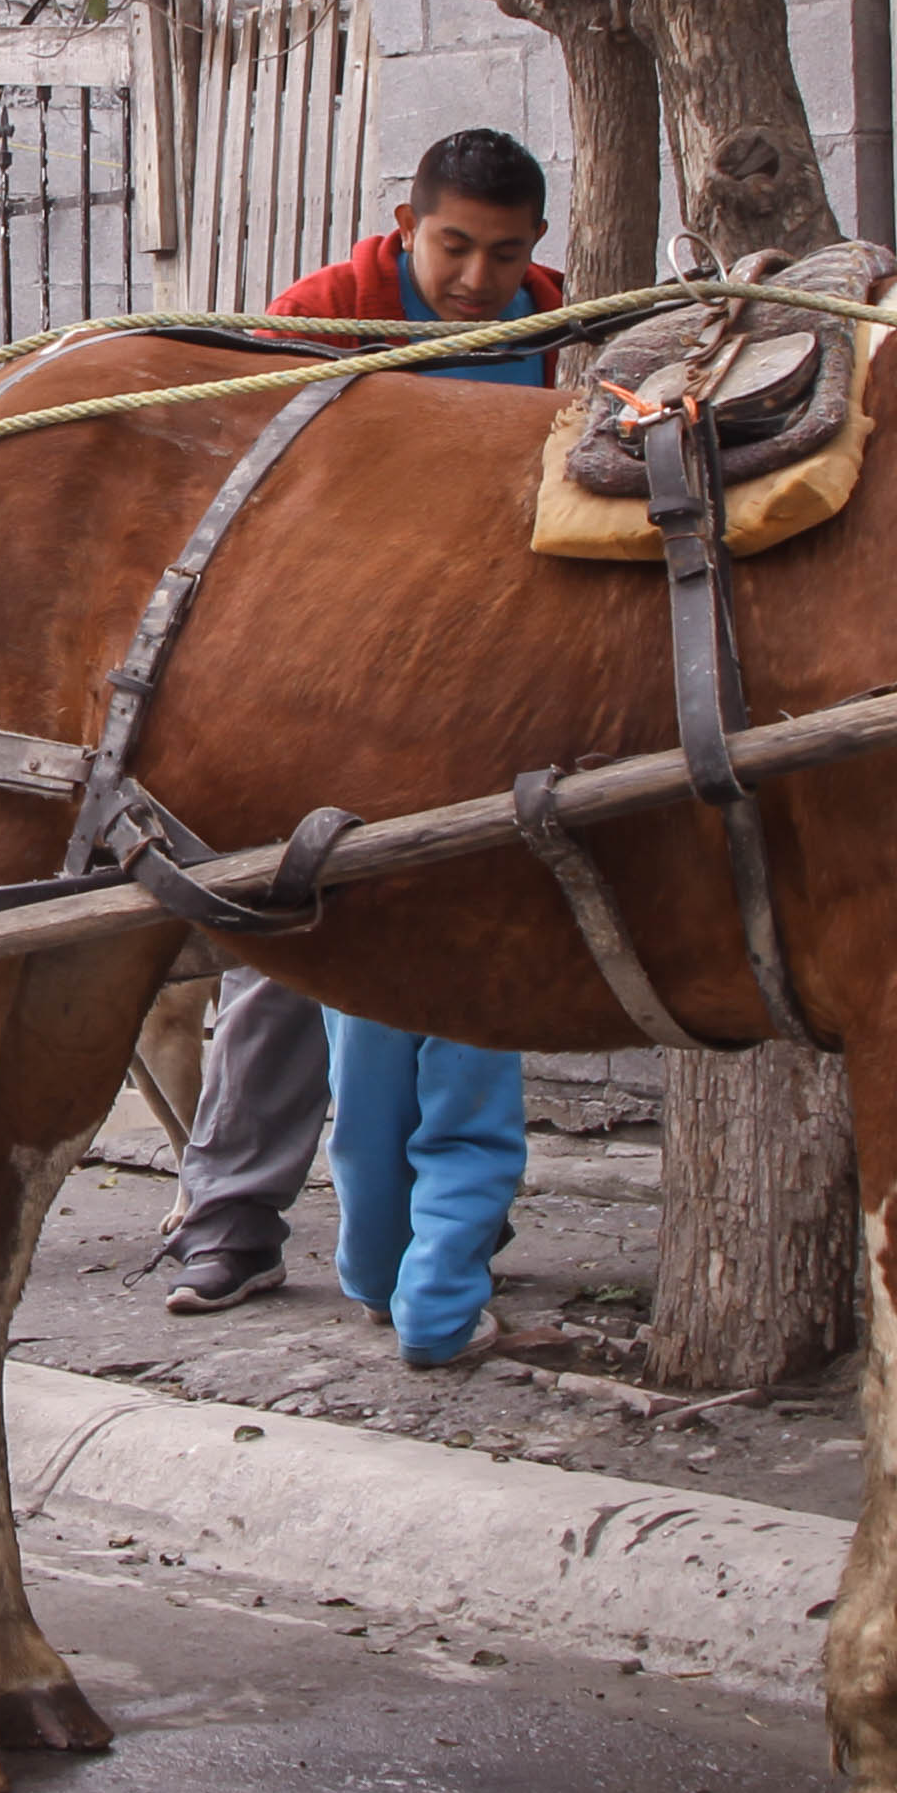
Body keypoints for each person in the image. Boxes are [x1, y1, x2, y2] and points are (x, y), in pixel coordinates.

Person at [160, 127, 569, 1363]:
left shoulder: (550, 331)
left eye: (502, 253)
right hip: (329, 687)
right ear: (405, 225)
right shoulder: (317, 321)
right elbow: (247, 507)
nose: (472, 279)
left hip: (487, 696)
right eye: (452, 247)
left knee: (463, 1002)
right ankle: (238, 1223)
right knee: (294, 965)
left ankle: (423, 1265)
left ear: (533, 251)